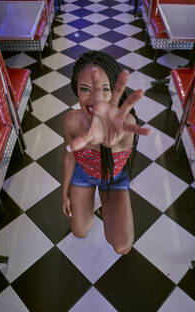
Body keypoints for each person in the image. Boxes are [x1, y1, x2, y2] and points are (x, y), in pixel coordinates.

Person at [62, 51, 150, 255]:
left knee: (122, 246)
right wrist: (65, 191)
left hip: (115, 178)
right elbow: (68, 156)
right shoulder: (70, 120)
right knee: (80, 231)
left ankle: (105, 199)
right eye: (85, 89)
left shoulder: (128, 124)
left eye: (104, 90)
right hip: (82, 175)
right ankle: (89, 198)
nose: (96, 99)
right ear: (75, 89)